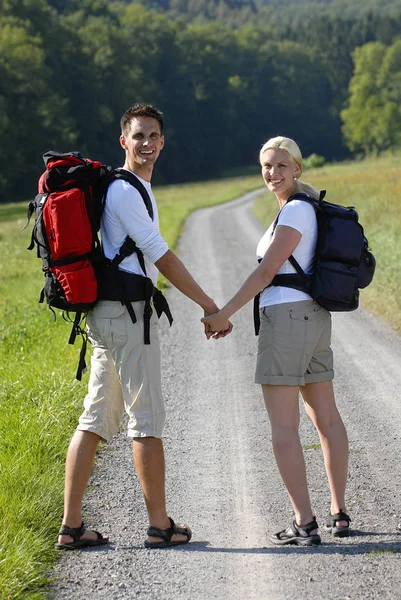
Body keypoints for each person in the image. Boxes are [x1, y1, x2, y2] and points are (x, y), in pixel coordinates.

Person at [56, 103, 232, 551]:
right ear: (123, 141)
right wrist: (210, 305)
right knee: (146, 419)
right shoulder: (125, 191)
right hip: (126, 318)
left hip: (111, 316)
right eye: (139, 136)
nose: (148, 144)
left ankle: (72, 527)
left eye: (154, 136)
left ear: (163, 140)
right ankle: (159, 526)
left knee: (95, 419)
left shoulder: (132, 186)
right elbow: (161, 255)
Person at [202, 136, 350, 546]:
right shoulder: (300, 208)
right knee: (327, 419)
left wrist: (223, 313)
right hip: (313, 318)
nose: (273, 173)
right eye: (266, 166)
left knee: (285, 427)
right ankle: (339, 513)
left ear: (297, 168)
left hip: (286, 319)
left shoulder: (295, 212)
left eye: (281, 165)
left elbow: (267, 272)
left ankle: (304, 523)